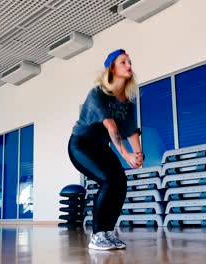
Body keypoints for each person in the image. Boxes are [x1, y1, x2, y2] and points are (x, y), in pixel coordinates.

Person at [68, 49, 144, 250]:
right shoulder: (98, 94)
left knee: (121, 181)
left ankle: (108, 232)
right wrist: (126, 154)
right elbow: (112, 127)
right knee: (109, 180)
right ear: (111, 69)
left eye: (129, 61)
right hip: (81, 145)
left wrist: (138, 155)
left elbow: (130, 130)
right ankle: (98, 235)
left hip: (101, 146)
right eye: (123, 62)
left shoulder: (127, 101)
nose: (129, 65)